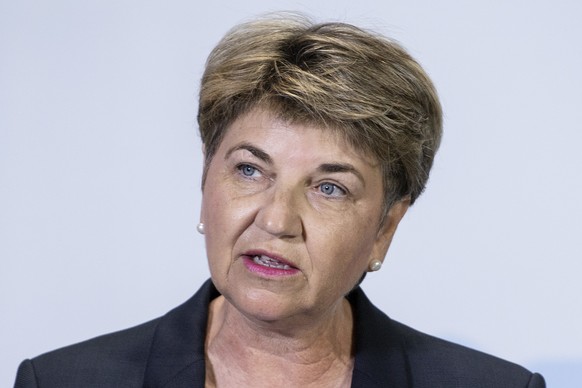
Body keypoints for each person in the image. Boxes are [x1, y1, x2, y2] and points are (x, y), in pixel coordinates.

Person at [14, 14, 545, 388]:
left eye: (329, 187)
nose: (275, 219)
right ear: (205, 184)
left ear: (386, 228)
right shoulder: (61, 380)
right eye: (249, 170)